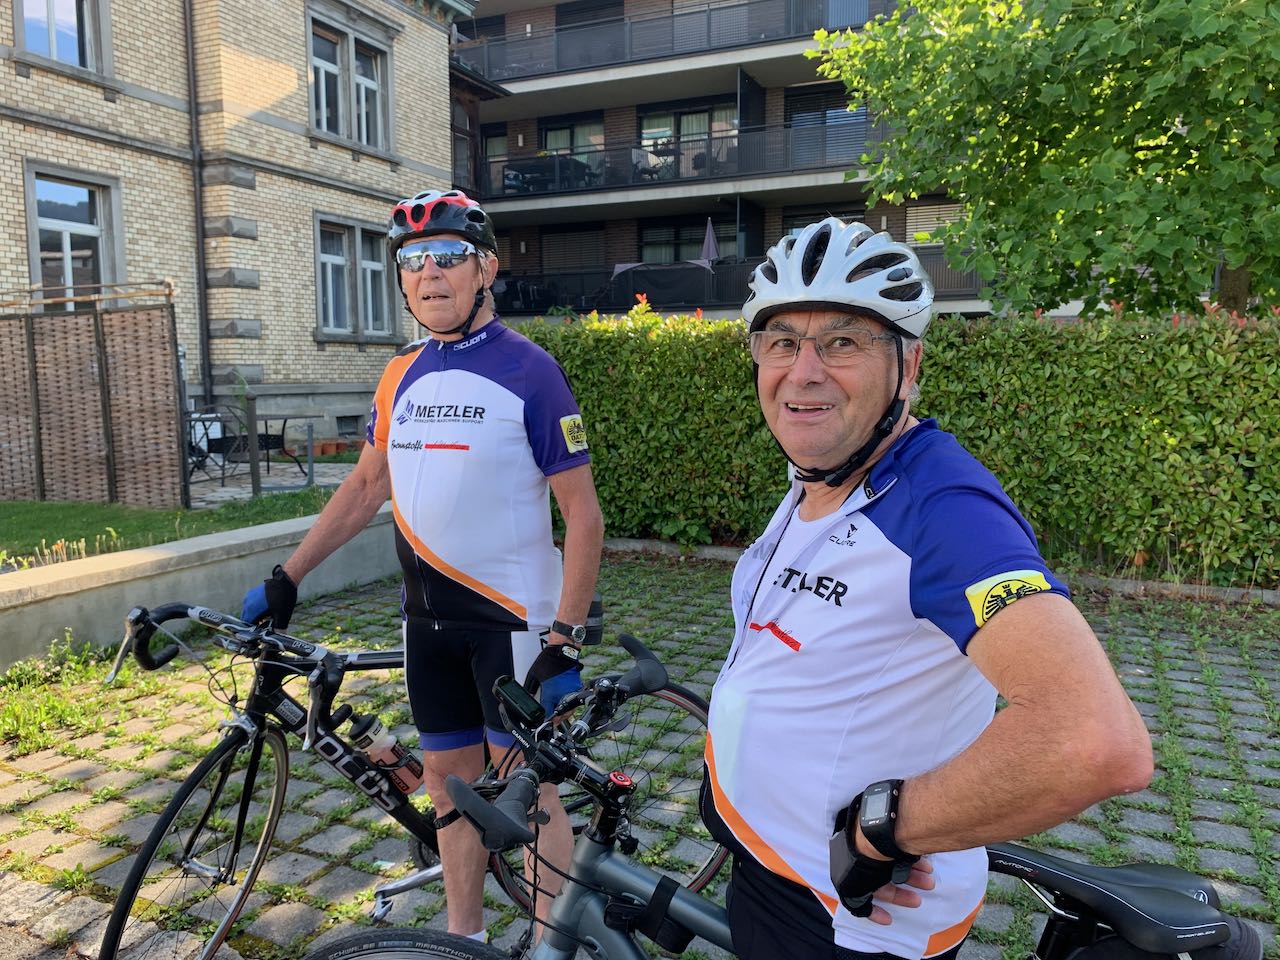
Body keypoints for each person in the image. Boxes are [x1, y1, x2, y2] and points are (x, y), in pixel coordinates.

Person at [700, 218, 1155, 960]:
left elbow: (1094, 740)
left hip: (846, 919)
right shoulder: (829, 472)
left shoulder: (942, 507)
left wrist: (885, 829)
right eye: (781, 341)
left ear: (908, 365)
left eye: (842, 342)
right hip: (771, 871)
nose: (803, 371)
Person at [241, 189, 604, 942]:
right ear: (402, 280)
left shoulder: (531, 371)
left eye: (448, 256)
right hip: (426, 623)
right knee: (447, 786)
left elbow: (584, 516)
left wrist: (566, 637)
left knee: (528, 794)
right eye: (413, 260)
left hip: (514, 623)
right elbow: (365, 485)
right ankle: (464, 938)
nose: (430, 272)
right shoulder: (398, 373)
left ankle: (551, 947)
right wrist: (289, 575)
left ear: (485, 270)